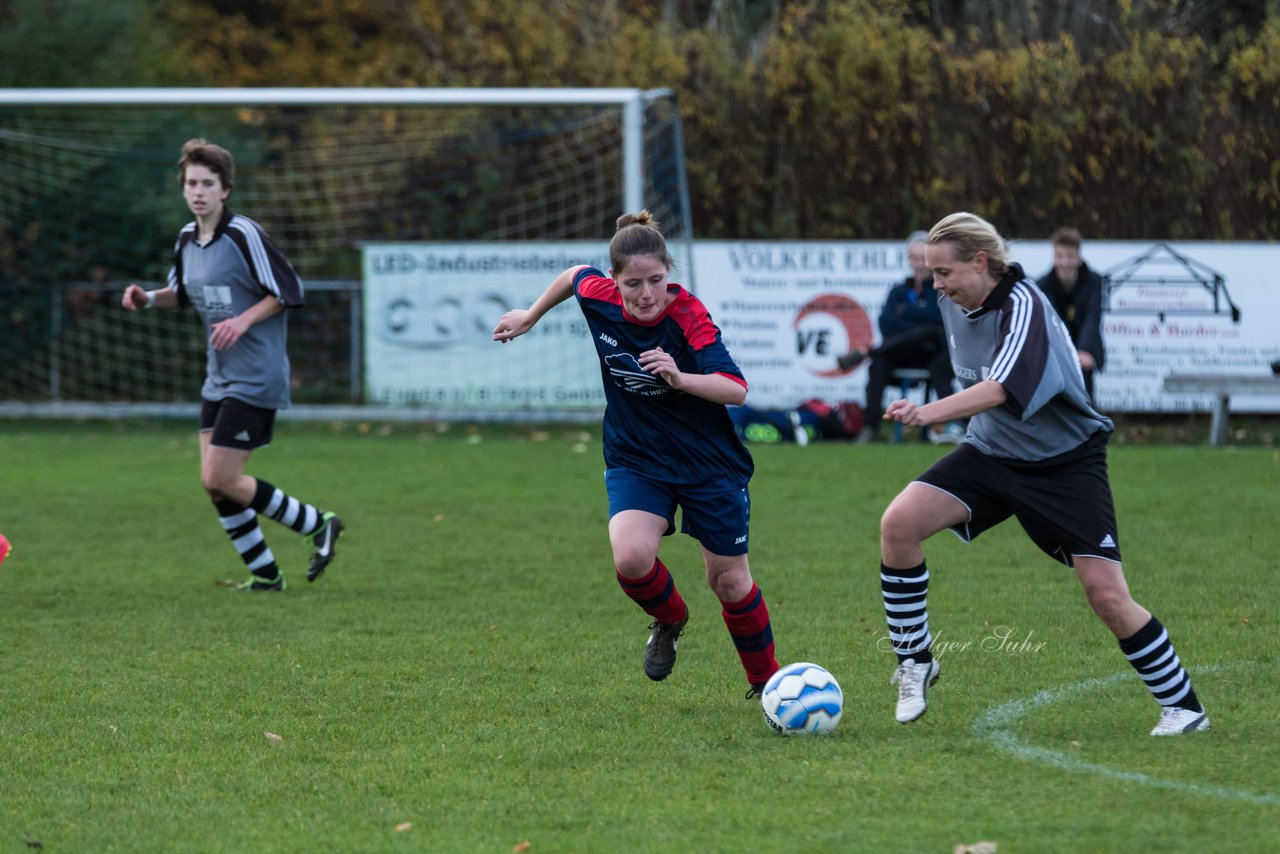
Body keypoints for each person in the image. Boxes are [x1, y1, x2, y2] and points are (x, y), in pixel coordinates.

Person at [877, 212, 1208, 736]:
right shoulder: (952, 300)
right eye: (932, 273)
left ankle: (1184, 708)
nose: (935, 284)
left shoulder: (1023, 303)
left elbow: (1001, 388)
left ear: (980, 262)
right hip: (990, 453)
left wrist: (928, 413)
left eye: (944, 273)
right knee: (898, 525)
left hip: (1065, 465)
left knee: (1106, 595)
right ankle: (914, 661)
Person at [492, 211, 780, 698]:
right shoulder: (599, 295)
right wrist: (531, 315)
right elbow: (572, 277)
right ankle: (670, 620)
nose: (646, 294)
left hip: (707, 463)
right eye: (633, 283)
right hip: (637, 456)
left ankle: (769, 686)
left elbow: (735, 389)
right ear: (614, 282)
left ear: (670, 272)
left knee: (729, 582)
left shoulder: (688, 315)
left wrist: (680, 377)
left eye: (656, 280)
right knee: (630, 556)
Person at [121, 139, 344, 592]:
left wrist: (243, 320)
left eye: (208, 183)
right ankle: (266, 575)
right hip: (218, 376)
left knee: (220, 476)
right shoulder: (187, 239)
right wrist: (146, 298)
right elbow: (181, 295)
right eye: (191, 183)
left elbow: (289, 290)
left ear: (226, 190)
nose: (198, 191)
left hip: (257, 374)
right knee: (215, 485)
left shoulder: (243, 234)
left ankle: (318, 524)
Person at [837, 232, 961, 443]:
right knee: (878, 365)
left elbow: (937, 321)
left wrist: (906, 314)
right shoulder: (897, 291)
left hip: (932, 353)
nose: (919, 264)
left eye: (923, 259)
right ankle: (870, 428)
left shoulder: (940, 289)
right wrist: (918, 321)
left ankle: (956, 424)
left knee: (932, 346)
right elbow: (886, 324)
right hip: (900, 353)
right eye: (914, 258)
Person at [1037, 226, 1106, 402]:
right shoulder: (1042, 286)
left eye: (1070, 256)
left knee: (1085, 403)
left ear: (1078, 257)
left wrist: (1084, 350)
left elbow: (1092, 318)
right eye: (1060, 256)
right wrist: (1064, 354)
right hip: (1054, 355)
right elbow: (1049, 324)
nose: (1065, 262)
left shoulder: (1094, 282)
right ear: (1054, 257)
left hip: (1084, 354)